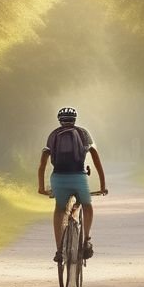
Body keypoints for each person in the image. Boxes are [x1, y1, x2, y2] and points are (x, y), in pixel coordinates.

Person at [38, 106, 108, 263]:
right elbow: (96, 158)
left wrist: (41, 187)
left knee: (59, 209)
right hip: (78, 177)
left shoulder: (53, 134)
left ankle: (59, 251)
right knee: (87, 205)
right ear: (75, 119)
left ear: (60, 120)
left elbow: (43, 162)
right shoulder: (83, 133)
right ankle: (86, 241)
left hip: (58, 178)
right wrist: (103, 185)